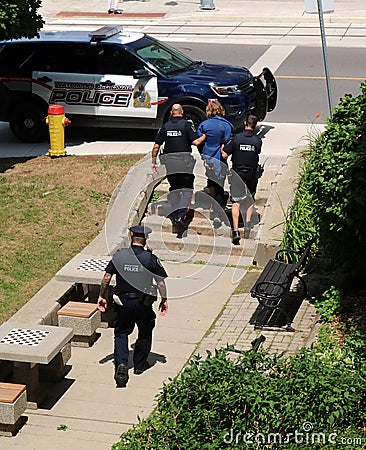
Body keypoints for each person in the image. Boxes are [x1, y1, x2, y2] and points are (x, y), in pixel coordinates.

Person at [97, 225, 168, 388]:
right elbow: (161, 283)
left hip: (123, 302)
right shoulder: (150, 258)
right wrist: (164, 299)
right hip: (143, 304)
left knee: (121, 332)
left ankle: (121, 364)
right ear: (145, 240)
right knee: (145, 331)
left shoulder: (120, 256)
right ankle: (139, 364)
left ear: (131, 238)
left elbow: (107, 277)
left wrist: (102, 295)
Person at [151, 104, 204, 237]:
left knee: (174, 188)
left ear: (171, 112)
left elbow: (156, 146)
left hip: (170, 163)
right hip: (184, 163)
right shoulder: (186, 125)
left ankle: (175, 215)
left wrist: (153, 162)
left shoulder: (165, 126)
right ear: (182, 112)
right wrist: (205, 136)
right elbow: (196, 142)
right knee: (186, 189)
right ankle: (181, 215)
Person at [222, 115, 262, 245]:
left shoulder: (236, 139)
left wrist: (223, 146)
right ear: (255, 126)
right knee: (250, 198)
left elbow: (224, 154)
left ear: (245, 123)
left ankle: (235, 231)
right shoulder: (257, 141)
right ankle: (248, 224)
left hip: (237, 174)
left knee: (235, 201)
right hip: (251, 174)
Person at [197, 101, 233, 227]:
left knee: (211, 181)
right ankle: (218, 207)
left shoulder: (204, 125)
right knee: (220, 182)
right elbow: (228, 142)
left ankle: (213, 205)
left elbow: (199, 143)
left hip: (208, 157)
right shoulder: (227, 125)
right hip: (220, 158)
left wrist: (204, 157)